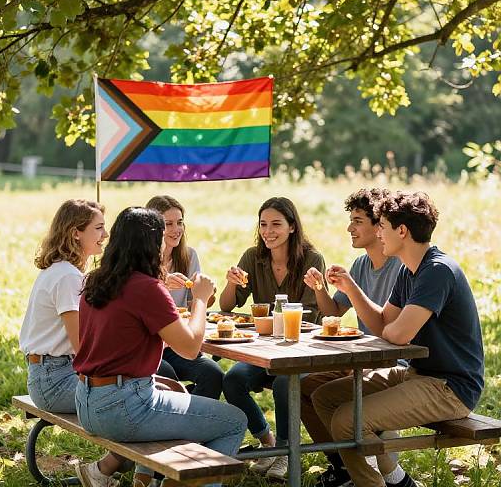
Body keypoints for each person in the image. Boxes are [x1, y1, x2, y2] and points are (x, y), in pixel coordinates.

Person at [311, 191, 484, 487]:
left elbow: (398, 334)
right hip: (416, 374)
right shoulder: (409, 270)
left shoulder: (437, 271)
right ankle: (372, 477)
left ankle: (378, 481)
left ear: (401, 231)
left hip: (449, 387)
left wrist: (391, 330)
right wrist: (351, 288)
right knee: (323, 397)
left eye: (383, 227)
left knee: (347, 420)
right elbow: (382, 323)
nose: (379, 234)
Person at [74, 207, 247, 487]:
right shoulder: (147, 288)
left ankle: (157, 479)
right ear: (153, 244)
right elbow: (191, 349)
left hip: (87, 401)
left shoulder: (96, 280)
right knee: (234, 421)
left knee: (176, 391)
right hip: (124, 407)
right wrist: (200, 299)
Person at [302, 188, 408, 487]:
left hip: (391, 360)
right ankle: (342, 465)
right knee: (304, 384)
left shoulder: (401, 267)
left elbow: (394, 331)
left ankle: (380, 472)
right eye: (350, 220)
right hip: (361, 357)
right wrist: (320, 289)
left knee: (344, 404)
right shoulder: (361, 265)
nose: (350, 227)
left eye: (358, 221)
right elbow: (333, 312)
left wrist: (351, 288)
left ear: (380, 226)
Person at [19, 199, 125, 487]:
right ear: (75, 233)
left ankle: (116, 470)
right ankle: (102, 472)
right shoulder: (67, 277)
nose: (105, 235)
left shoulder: (62, 271)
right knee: (128, 400)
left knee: (135, 389)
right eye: (99, 228)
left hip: (51, 373)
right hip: (54, 380)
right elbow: (83, 346)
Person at [220, 196, 325, 480]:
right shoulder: (253, 257)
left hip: (300, 350)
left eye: (276, 224)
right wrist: (231, 282)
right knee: (232, 380)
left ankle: (284, 452)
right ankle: (267, 441)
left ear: (292, 227)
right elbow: (227, 306)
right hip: (264, 348)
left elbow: (311, 317)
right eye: (263, 224)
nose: (268, 231)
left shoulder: (312, 260)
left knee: (283, 383)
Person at [145, 195, 223, 399]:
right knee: (168, 376)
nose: (176, 229)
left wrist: (206, 295)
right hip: (148, 342)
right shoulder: (141, 259)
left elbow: (192, 307)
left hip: (176, 340)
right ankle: (178, 417)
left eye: (179, 223)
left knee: (213, 373)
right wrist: (160, 284)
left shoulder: (188, 256)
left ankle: (194, 423)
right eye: (168, 224)